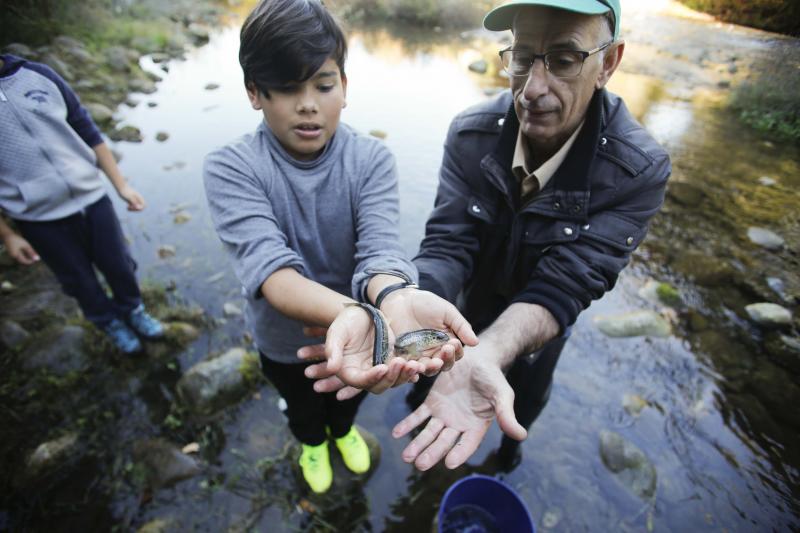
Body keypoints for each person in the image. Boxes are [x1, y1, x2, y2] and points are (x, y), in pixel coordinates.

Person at [203, 0, 476, 494]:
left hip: (364, 344)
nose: (308, 103)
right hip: (285, 344)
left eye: (323, 85)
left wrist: (392, 300)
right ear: (254, 93)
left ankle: (343, 430)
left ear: (345, 88)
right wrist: (359, 314)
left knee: (349, 395)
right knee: (303, 404)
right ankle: (311, 442)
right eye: (287, 88)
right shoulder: (231, 167)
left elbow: (379, 252)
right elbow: (272, 271)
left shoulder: (371, 159)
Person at [386, 0, 672, 471]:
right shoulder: (469, 134)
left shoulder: (637, 172)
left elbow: (567, 284)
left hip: (543, 319)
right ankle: (424, 414)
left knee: (527, 398)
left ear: (609, 62)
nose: (532, 90)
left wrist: (492, 351)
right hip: (467, 301)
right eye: (521, 59)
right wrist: (408, 316)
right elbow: (448, 244)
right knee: (428, 379)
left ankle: (510, 453)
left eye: (564, 60)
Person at [0, 54, 164, 355]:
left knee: (120, 265)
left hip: (92, 198)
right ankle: (109, 321)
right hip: (38, 218)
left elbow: (87, 130)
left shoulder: (38, 75)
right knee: (78, 281)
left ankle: (133, 310)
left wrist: (122, 186)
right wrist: (9, 235)